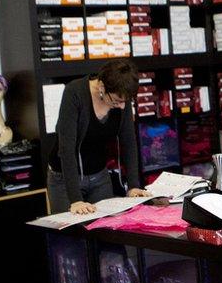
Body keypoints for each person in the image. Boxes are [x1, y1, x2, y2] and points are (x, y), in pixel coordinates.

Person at [48, 59, 151, 214]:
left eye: (125, 102)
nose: (122, 106)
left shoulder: (121, 97)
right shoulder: (74, 93)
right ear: (102, 86)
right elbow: (66, 149)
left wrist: (133, 186)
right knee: (72, 234)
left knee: (106, 228)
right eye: (117, 101)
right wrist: (76, 200)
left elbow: (128, 142)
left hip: (99, 176)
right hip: (64, 178)